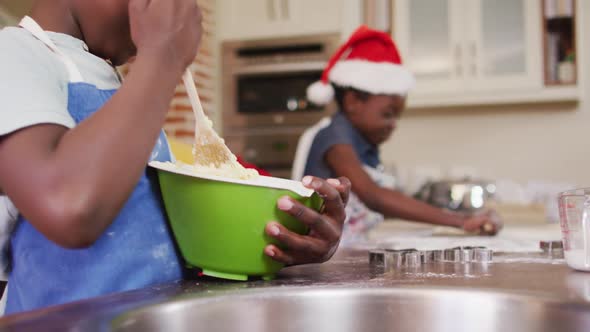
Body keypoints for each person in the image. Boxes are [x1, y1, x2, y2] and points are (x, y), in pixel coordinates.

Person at [0, 0, 350, 314]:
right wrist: (162, 55)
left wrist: (282, 243)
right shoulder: (14, 55)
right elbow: (68, 206)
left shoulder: (113, 81)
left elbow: (159, 248)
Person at [303, 26, 501, 245]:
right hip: (323, 258)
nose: (393, 124)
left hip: (345, 250)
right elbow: (374, 196)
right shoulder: (335, 137)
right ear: (353, 101)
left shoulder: (363, 143)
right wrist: (462, 220)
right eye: (388, 114)